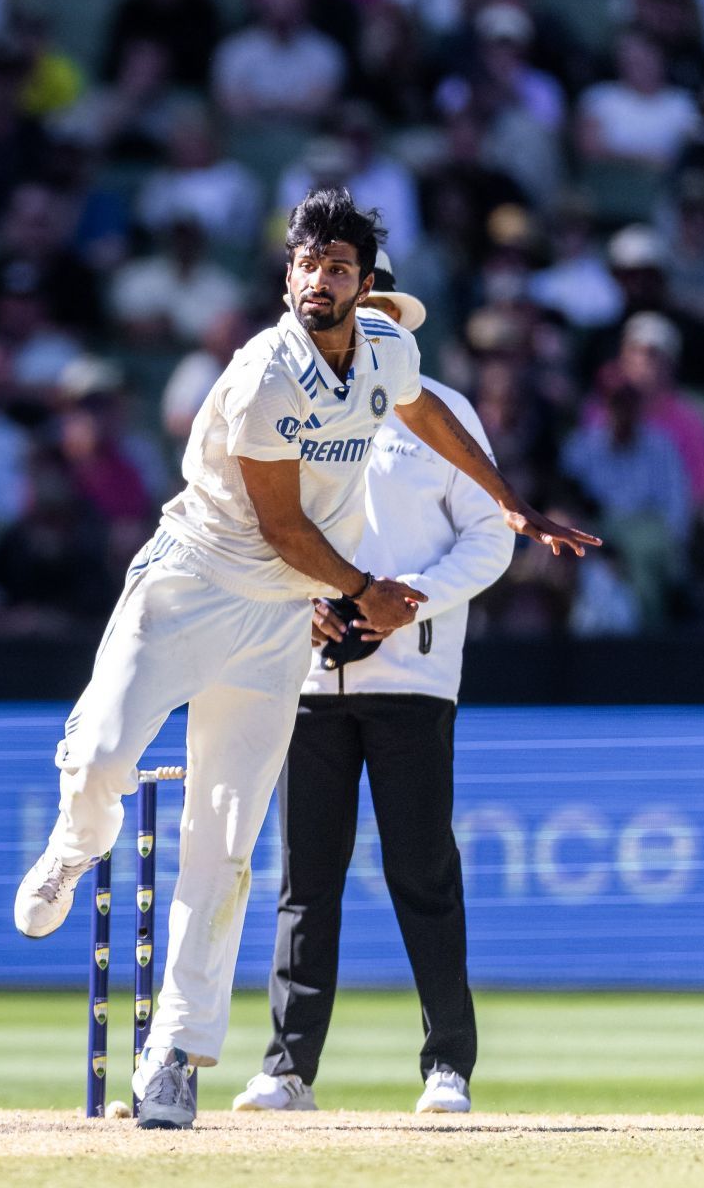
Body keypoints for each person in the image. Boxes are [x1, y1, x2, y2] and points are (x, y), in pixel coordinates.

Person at [12, 189, 597, 1130]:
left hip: (283, 625)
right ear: (287, 276)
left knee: (226, 841)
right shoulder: (262, 378)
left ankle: (174, 1058)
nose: (320, 283)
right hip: (193, 583)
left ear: (365, 285)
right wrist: (364, 592)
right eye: (306, 266)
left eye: (337, 268)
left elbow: (426, 416)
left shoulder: (389, 354)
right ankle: (80, 840)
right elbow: (282, 528)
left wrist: (513, 504)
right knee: (104, 756)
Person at [235, 258, 512, 1119]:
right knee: (306, 878)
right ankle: (288, 1068)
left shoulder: (440, 413)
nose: (373, 324)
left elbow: (492, 536)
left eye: (384, 309)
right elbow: (264, 523)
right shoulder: (293, 401)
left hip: (413, 677)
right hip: (310, 674)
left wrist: (408, 603)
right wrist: (309, 602)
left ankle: (447, 1067)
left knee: (421, 868)